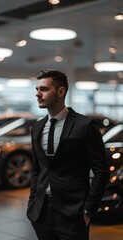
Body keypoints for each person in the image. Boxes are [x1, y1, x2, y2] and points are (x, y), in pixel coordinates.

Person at [26, 69, 110, 240]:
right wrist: (33, 201)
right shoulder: (37, 127)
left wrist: (88, 210)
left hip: (74, 213)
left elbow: (102, 171)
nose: (37, 94)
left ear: (61, 91)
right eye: (37, 89)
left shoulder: (85, 126)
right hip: (41, 212)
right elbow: (37, 169)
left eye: (43, 89)